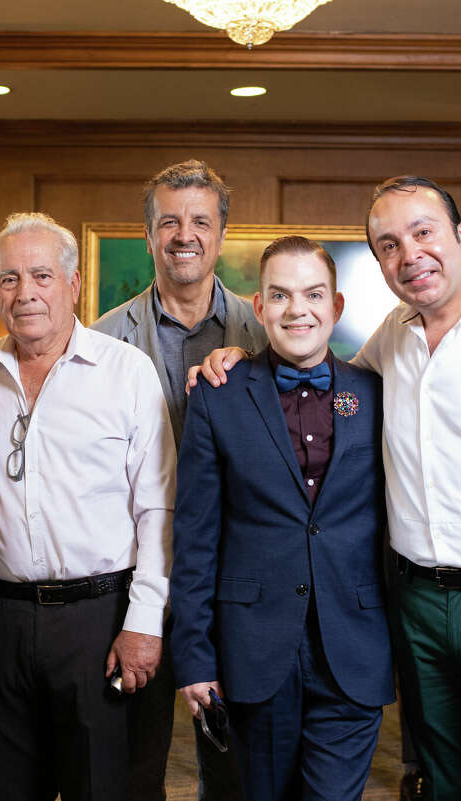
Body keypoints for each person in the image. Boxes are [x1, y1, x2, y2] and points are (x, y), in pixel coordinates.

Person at [190, 176, 461, 800]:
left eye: (423, 232)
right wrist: (238, 360)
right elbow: (318, 388)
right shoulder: (393, 336)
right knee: (448, 780)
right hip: (416, 606)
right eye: (388, 244)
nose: (409, 253)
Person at [0, 212, 176, 801]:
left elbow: (159, 509)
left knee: (100, 787)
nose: (25, 292)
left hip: (99, 618)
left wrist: (143, 624)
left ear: (73, 285)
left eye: (41, 276)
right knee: (13, 788)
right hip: (0, 619)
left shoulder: (125, 371)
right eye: (9, 279)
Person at [171, 235, 393, 801]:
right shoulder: (216, 396)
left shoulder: (379, 394)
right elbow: (196, 537)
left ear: (336, 307)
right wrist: (194, 655)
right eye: (281, 295)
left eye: (314, 294)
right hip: (253, 647)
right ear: (260, 306)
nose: (299, 309)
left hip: (354, 645)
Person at [93, 159, 265, 801]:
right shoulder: (104, 338)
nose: (183, 235)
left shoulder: (266, 332)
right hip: (135, 575)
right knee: (135, 762)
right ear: (148, 236)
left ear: (221, 234)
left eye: (199, 221)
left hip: (233, 574)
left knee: (234, 762)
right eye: (169, 222)